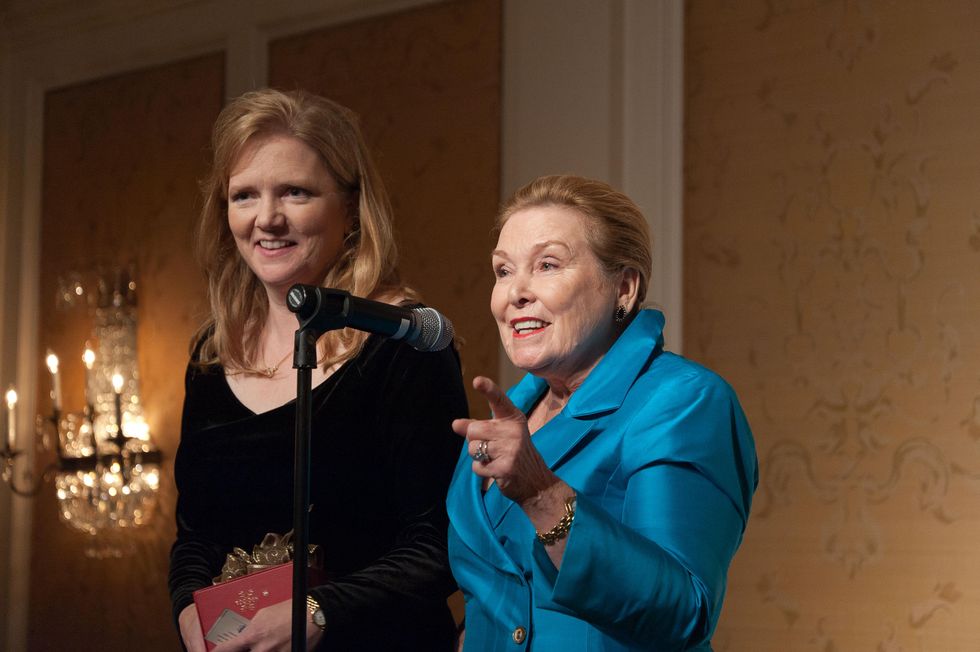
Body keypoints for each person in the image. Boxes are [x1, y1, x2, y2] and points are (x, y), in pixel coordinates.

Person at [168, 88, 467, 652]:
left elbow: (440, 545)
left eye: (295, 192)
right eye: (244, 196)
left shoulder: (402, 342)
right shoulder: (210, 353)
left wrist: (318, 613)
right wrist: (187, 609)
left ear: (351, 208)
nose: (267, 219)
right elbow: (195, 537)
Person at [447, 175, 758, 651]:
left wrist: (542, 495)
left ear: (625, 288)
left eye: (547, 265)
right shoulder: (511, 410)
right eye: (504, 271)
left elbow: (684, 613)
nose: (516, 293)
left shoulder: (682, 401)